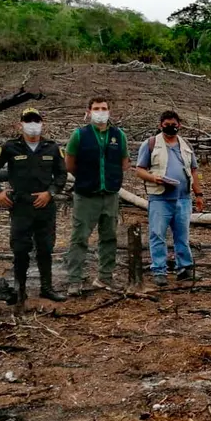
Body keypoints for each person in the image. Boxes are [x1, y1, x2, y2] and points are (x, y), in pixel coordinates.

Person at [0, 107, 68, 305]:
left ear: (42, 124)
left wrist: (51, 193)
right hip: (20, 206)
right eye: (28, 121)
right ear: (20, 124)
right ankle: (19, 289)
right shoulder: (10, 147)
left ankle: (47, 288)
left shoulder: (52, 148)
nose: (33, 125)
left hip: (45, 206)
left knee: (46, 248)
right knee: (20, 249)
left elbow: (61, 175)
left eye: (36, 121)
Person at [64, 97, 130, 295]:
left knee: (109, 237)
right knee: (79, 238)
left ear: (110, 111)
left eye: (104, 108)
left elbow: (124, 163)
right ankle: (74, 280)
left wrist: (110, 177)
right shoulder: (80, 135)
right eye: (96, 108)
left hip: (110, 194)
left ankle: (105, 277)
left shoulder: (118, 135)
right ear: (89, 111)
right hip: (86, 195)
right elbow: (69, 163)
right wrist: (86, 178)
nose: (100, 112)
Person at [134, 110, 205, 286]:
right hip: (160, 198)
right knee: (157, 234)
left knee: (182, 235)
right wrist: (154, 178)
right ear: (160, 125)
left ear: (179, 125)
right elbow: (139, 170)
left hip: (183, 198)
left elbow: (194, 171)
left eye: (174, 124)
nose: (171, 127)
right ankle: (159, 270)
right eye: (167, 125)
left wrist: (199, 194)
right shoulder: (150, 144)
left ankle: (185, 268)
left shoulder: (186, 145)